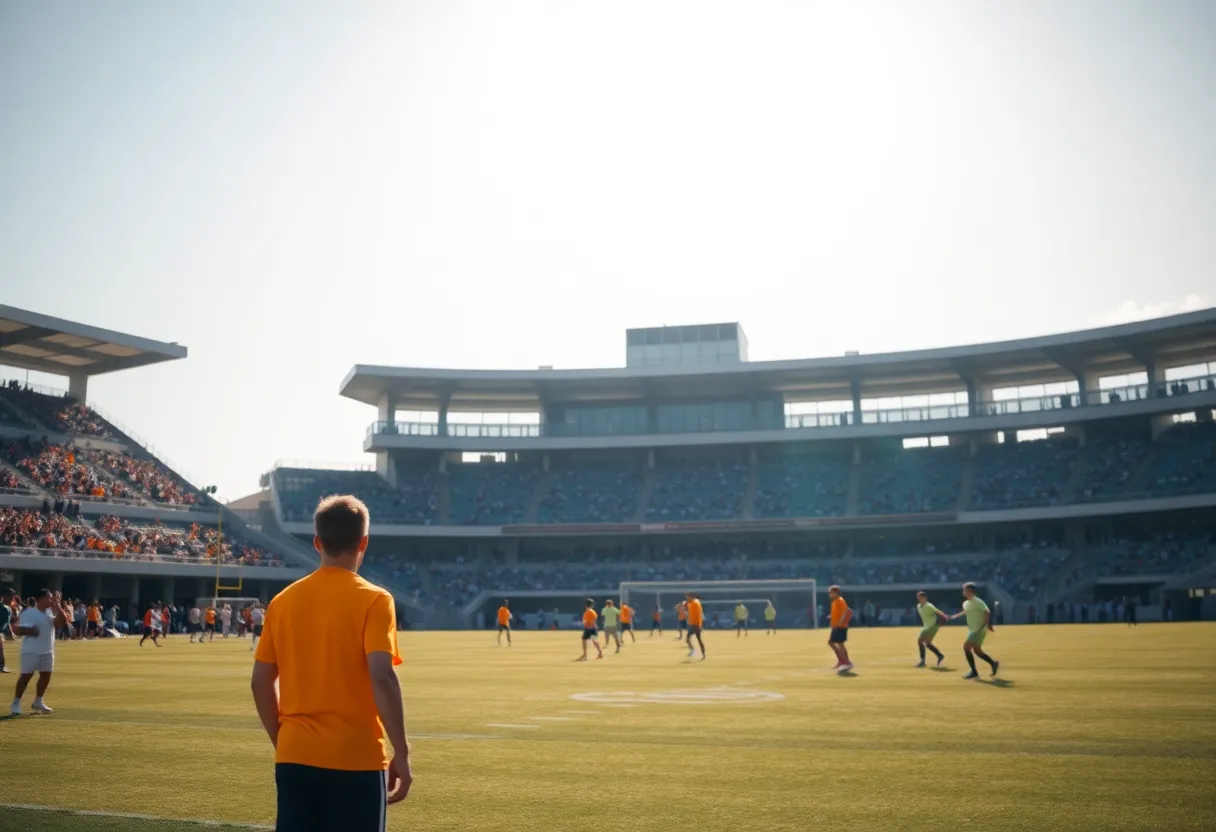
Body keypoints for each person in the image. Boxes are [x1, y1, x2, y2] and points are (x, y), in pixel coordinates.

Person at [251, 494, 412, 831]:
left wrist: (285, 741)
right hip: (356, 757)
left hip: (295, 756)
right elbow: (381, 676)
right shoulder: (375, 599)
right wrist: (402, 751)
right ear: (364, 542)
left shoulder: (282, 602)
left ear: (317, 542)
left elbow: (260, 681)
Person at [11, 588, 66, 715]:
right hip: (31, 651)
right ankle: (16, 702)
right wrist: (31, 631)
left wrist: (58, 606)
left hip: (47, 650)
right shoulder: (29, 613)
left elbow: (62, 623)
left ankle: (38, 701)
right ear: (39, 599)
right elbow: (17, 630)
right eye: (48, 597)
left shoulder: (50, 612)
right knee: (26, 676)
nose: (51, 600)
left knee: (46, 675)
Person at [948, 583, 999, 680]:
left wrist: (987, 625)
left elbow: (987, 612)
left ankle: (974, 672)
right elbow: (966, 611)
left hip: (978, 629)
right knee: (977, 651)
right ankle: (993, 663)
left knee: (966, 647)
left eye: (965, 590)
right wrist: (954, 616)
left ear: (971, 591)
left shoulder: (978, 601)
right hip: (973, 629)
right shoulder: (966, 603)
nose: (963, 592)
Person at [914, 591, 948, 667]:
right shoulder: (919, 606)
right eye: (918, 598)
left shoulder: (929, 605)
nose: (919, 599)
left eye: (921, 598)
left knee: (921, 641)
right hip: (926, 626)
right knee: (927, 643)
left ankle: (922, 661)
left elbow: (937, 611)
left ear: (925, 598)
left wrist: (944, 616)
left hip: (933, 626)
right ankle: (940, 655)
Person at [827, 586, 853, 672]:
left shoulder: (840, 600)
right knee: (832, 642)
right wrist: (831, 618)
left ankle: (846, 662)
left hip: (840, 626)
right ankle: (842, 661)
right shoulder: (834, 602)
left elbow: (847, 610)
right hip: (835, 626)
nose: (829, 594)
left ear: (835, 592)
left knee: (840, 643)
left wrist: (841, 621)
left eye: (830, 592)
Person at [684, 593, 706, 660]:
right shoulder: (695, 602)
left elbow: (696, 613)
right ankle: (703, 654)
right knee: (699, 640)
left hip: (695, 625)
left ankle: (693, 650)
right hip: (696, 624)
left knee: (688, 638)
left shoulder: (694, 603)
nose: (687, 598)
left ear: (691, 597)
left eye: (687, 597)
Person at [0, 588, 14, 673]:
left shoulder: (9, 609)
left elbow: (8, 624)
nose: (12, 598)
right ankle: (1, 666)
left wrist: (11, 633)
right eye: (10, 596)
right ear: (4, 596)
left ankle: (2, 666)